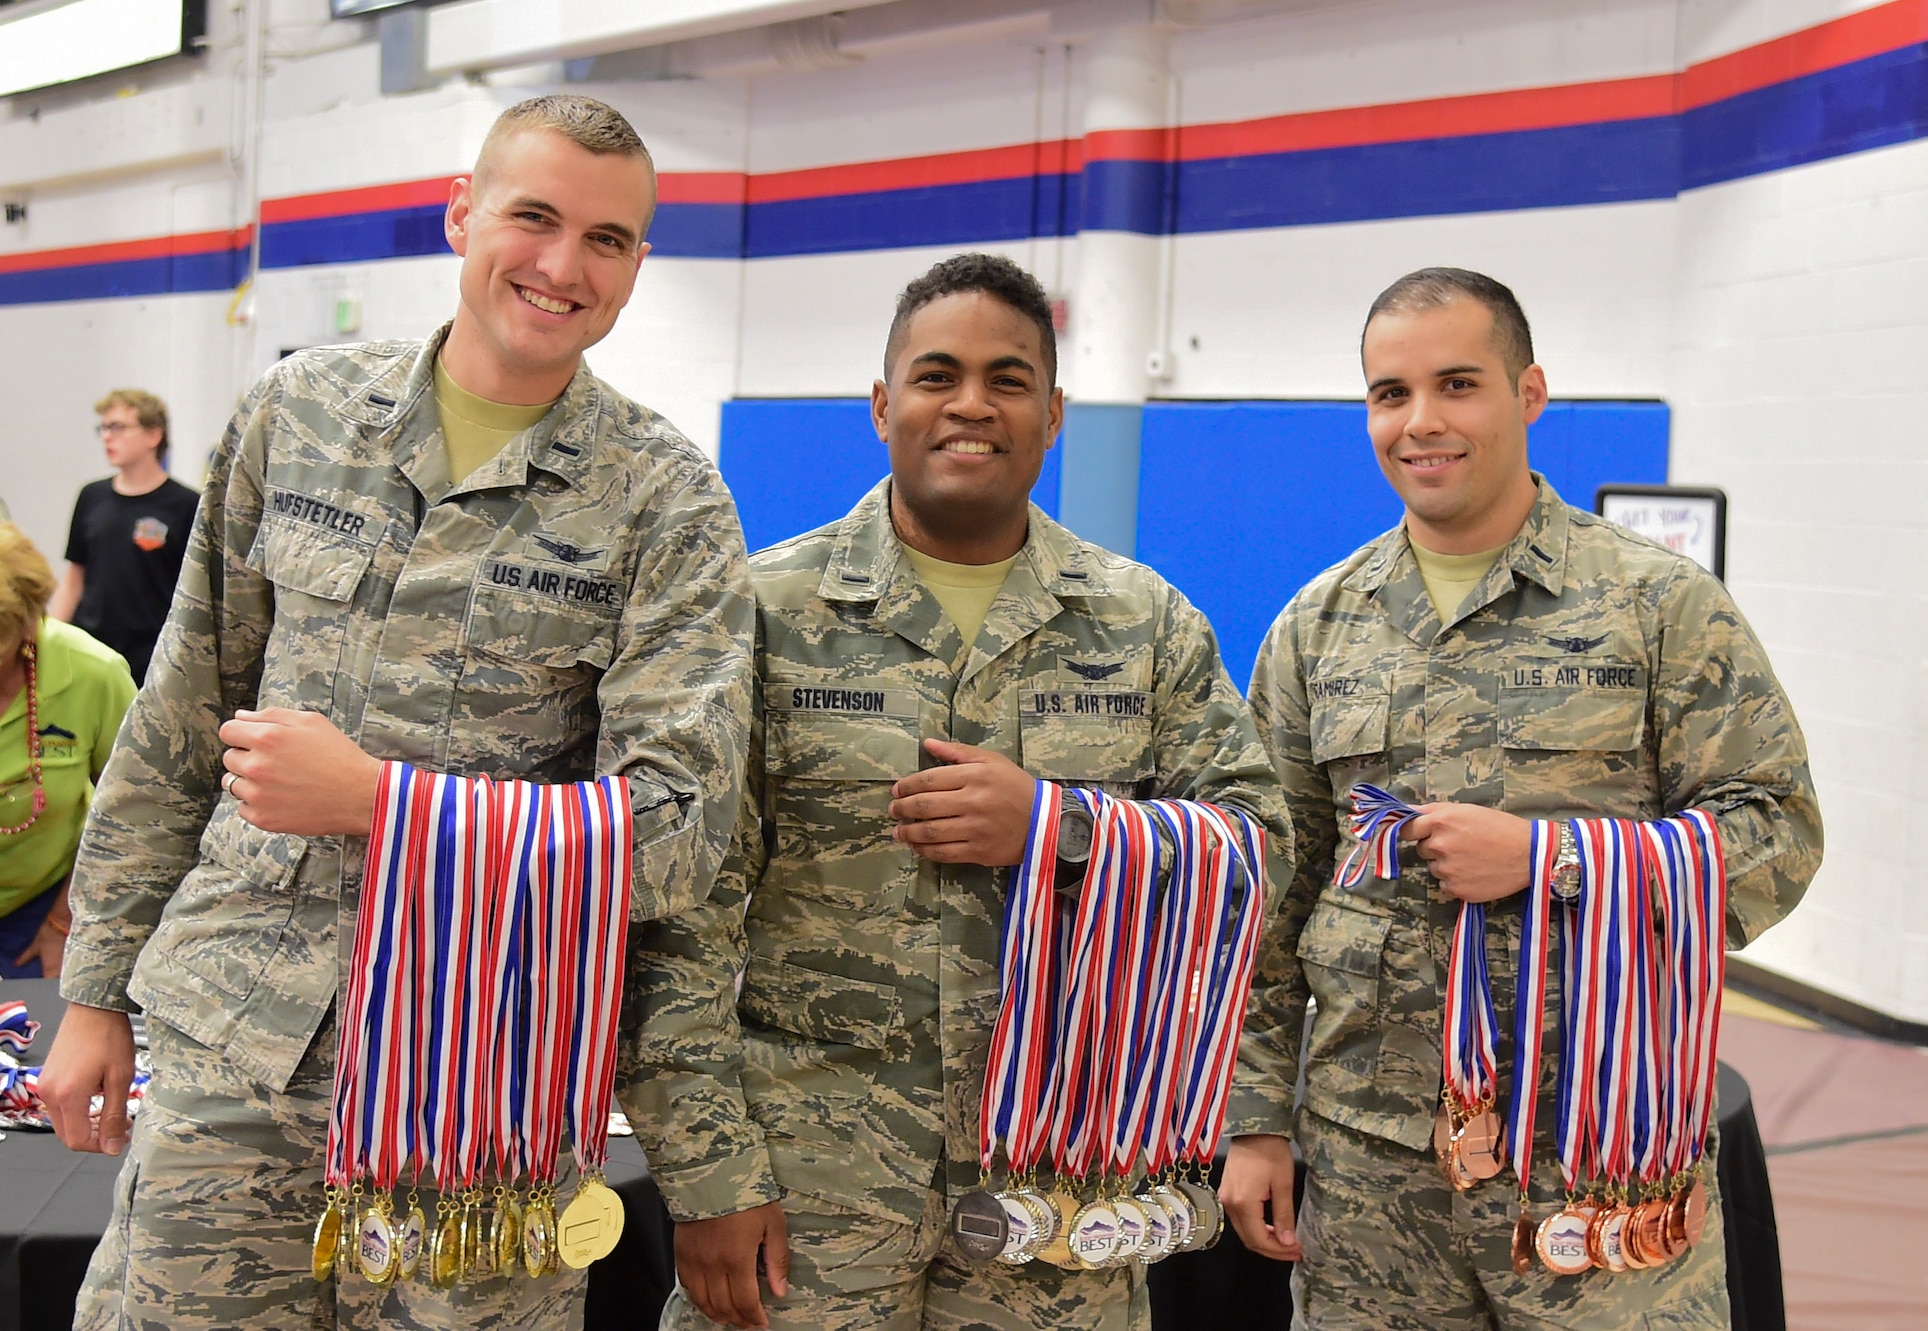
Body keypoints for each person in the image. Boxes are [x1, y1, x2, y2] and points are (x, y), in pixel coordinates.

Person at [37, 94, 755, 1331]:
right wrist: (96, 989)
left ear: (637, 264)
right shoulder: (295, 414)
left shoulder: (667, 504)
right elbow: (178, 713)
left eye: (608, 240)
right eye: (533, 217)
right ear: (460, 213)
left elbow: (679, 835)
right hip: (237, 1049)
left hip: (488, 1082)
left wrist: (382, 803)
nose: (561, 265)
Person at [623, 252, 1293, 1331]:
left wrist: (1057, 825)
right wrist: (707, 1173)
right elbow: (677, 910)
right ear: (882, 404)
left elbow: (1257, 849)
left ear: (1054, 413)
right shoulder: (762, 613)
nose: (970, 404)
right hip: (808, 1179)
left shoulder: (1143, 622)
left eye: (1007, 378)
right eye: (936, 375)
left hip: (1059, 1180)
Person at [1220, 267, 1822, 1329]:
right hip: (1371, 1173)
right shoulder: (1318, 625)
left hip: (1597, 1158)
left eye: (1456, 383)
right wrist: (1256, 1117)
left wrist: (1553, 859)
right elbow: (1265, 898)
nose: (1420, 422)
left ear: (1527, 392)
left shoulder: (1655, 605)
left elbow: (1775, 833)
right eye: (1388, 393)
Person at [0, 523, 136, 979]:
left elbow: (133, 815)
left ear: (25, 627)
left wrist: (63, 922)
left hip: (40, 911)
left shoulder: (94, 673)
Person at [49, 388, 201, 684]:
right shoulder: (92, 496)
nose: (107, 436)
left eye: (117, 427)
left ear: (153, 435)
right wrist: (49, 637)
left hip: (152, 661)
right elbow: (74, 579)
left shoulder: (187, 505)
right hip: (90, 651)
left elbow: (193, 595)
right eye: (103, 428)